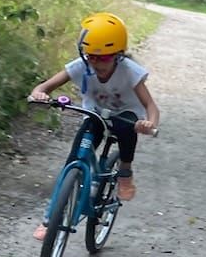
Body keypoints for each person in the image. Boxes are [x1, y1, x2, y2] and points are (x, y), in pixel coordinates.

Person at [27, 12, 159, 230]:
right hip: (95, 114)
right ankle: (51, 217)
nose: (97, 63)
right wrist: (39, 94)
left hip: (124, 115)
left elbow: (151, 106)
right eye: (91, 56)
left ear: (118, 54)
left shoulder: (129, 71)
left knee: (127, 131)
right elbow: (43, 87)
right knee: (73, 159)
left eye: (105, 57)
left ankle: (125, 170)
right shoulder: (81, 66)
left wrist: (150, 123)